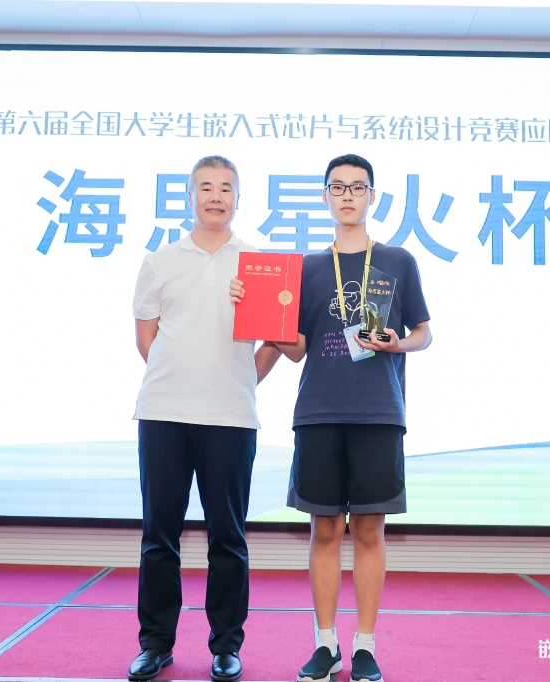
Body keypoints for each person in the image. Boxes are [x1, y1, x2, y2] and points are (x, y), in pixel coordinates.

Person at [231, 154, 432, 682]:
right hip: (318, 413)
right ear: (324, 197)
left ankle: (364, 645)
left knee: (368, 530)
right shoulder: (306, 269)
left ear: (372, 197)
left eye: (357, 187)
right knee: (324, 530)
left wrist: (397, 343)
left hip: (379, 413)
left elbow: (423, 333)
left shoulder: (399, 261)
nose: (348, 196)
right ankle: (326, 644)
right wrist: (256, 308)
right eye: (338, 187)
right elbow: (296, 349)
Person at [130, 155, 280, 682]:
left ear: (238, 199)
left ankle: (226, 646)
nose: (216, 196)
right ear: (190, 197)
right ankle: (155, 644)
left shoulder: (258, 263)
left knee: (228, 538)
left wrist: (237, 381)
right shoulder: (160, 260)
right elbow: (147, 338)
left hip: (231, 417)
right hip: (164, 413)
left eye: (226, 188)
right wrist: (184, 378)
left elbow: (276, 342)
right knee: (159, 535)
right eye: (206, 187)